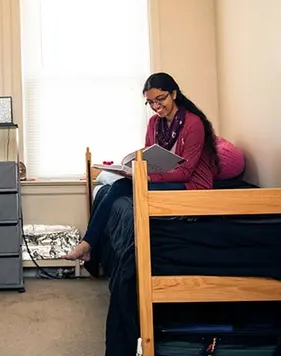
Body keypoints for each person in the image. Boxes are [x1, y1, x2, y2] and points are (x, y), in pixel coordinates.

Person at [65, 72, 219, 262]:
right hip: (166, 178)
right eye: (150, 102)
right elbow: (150, 157)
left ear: (174, 94)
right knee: (118, 185)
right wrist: (134, 169)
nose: (156, 106)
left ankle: (87, 245)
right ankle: (87, 245)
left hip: (192, 186)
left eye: (160, 99)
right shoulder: (154, 123)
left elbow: (186, 172)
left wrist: (149, 178)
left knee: (124, 188)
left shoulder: (193, 123)